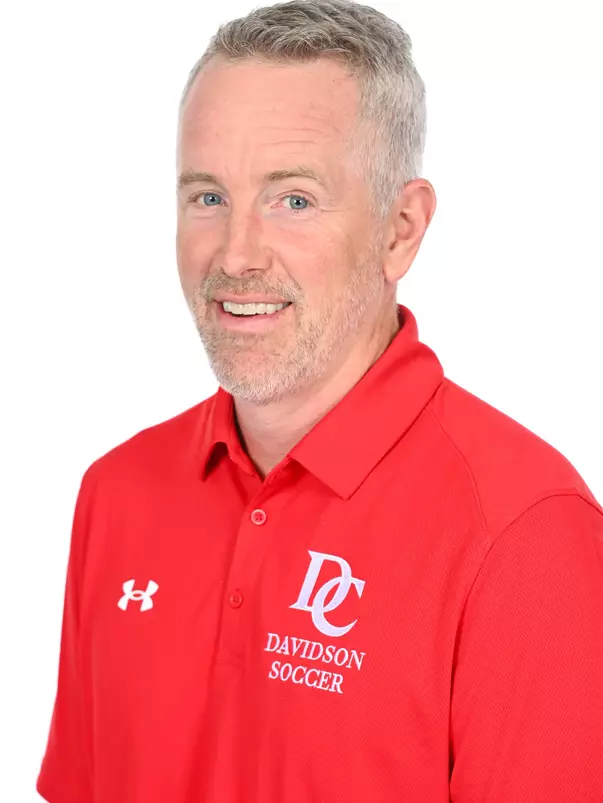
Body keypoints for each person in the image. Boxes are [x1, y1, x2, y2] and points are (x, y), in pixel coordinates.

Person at [36, 0, 603, 801]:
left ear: (400, 229)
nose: (235, 254)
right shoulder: (115, 491)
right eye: (207, 197)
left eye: (292, 199)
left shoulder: (523, 532)